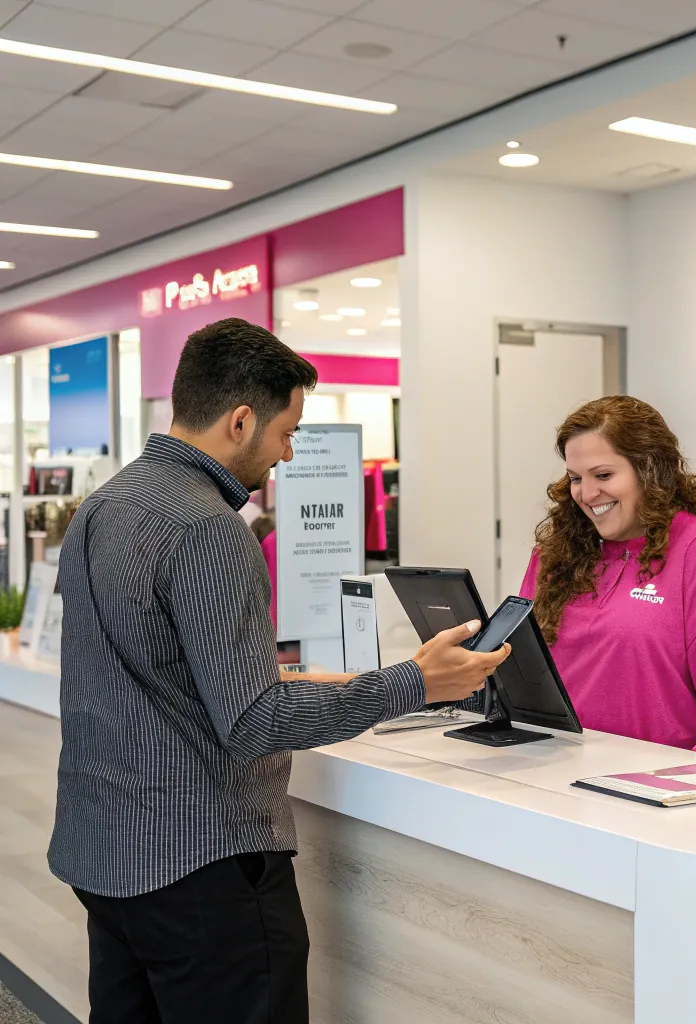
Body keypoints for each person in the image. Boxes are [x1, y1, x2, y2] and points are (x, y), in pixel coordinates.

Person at [48, 318, 510, 1024]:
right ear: (239, 420)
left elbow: (151, 677)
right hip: (199, 869)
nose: (289, 454)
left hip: (107, 856)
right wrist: (414, 683)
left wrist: (310, 683)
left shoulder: (103, 506)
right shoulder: (206, 527)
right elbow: (251, 722)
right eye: (285, 432)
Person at [521, 396, 696, 761]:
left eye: (603, 475)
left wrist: (693, 785)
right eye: (576, 478)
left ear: (649, 470)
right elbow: (526, 670)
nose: (587, 494)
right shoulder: (555, 555)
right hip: (549, 776)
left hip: (654, 791)